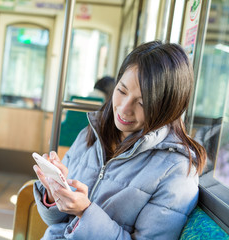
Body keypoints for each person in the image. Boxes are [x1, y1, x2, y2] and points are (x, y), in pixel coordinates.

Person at [33, 41, 206, 239]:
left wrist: (85, 212)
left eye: (142, 103)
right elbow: (55, 222)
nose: (124, 108)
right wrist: (53, 194)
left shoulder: (177, 171)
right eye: (122, 91)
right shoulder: (91, 134)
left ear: (168, 107)